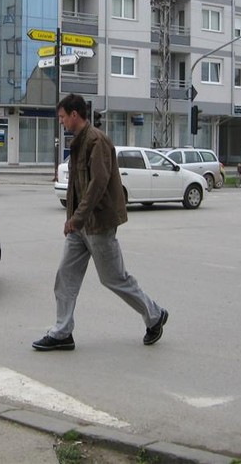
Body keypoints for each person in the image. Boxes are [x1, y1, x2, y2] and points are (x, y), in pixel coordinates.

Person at [32, 94, 168, 351]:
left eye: (62, 117)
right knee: (65, 277)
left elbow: (98, 184)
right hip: (79, 226)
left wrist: (76, 218)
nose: (61, 122)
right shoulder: (78, 142)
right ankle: (62, 333)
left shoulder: (97, 141)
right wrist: (72, 219)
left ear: (74, 114)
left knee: (114, 278)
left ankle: (154, 315)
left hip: (98, 224)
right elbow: (76, 187)